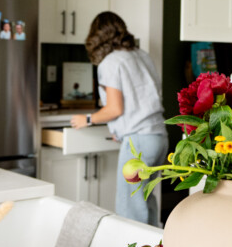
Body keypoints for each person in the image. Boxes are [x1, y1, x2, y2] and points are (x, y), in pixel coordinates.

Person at [71, 12, 166, 226]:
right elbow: (142, 99)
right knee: (145, 200)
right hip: (158, 137)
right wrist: (122, 130)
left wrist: (87, 119)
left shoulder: (110, 62)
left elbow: (114, 108)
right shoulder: (142, 55)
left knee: (130, 209)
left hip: (139, 142)